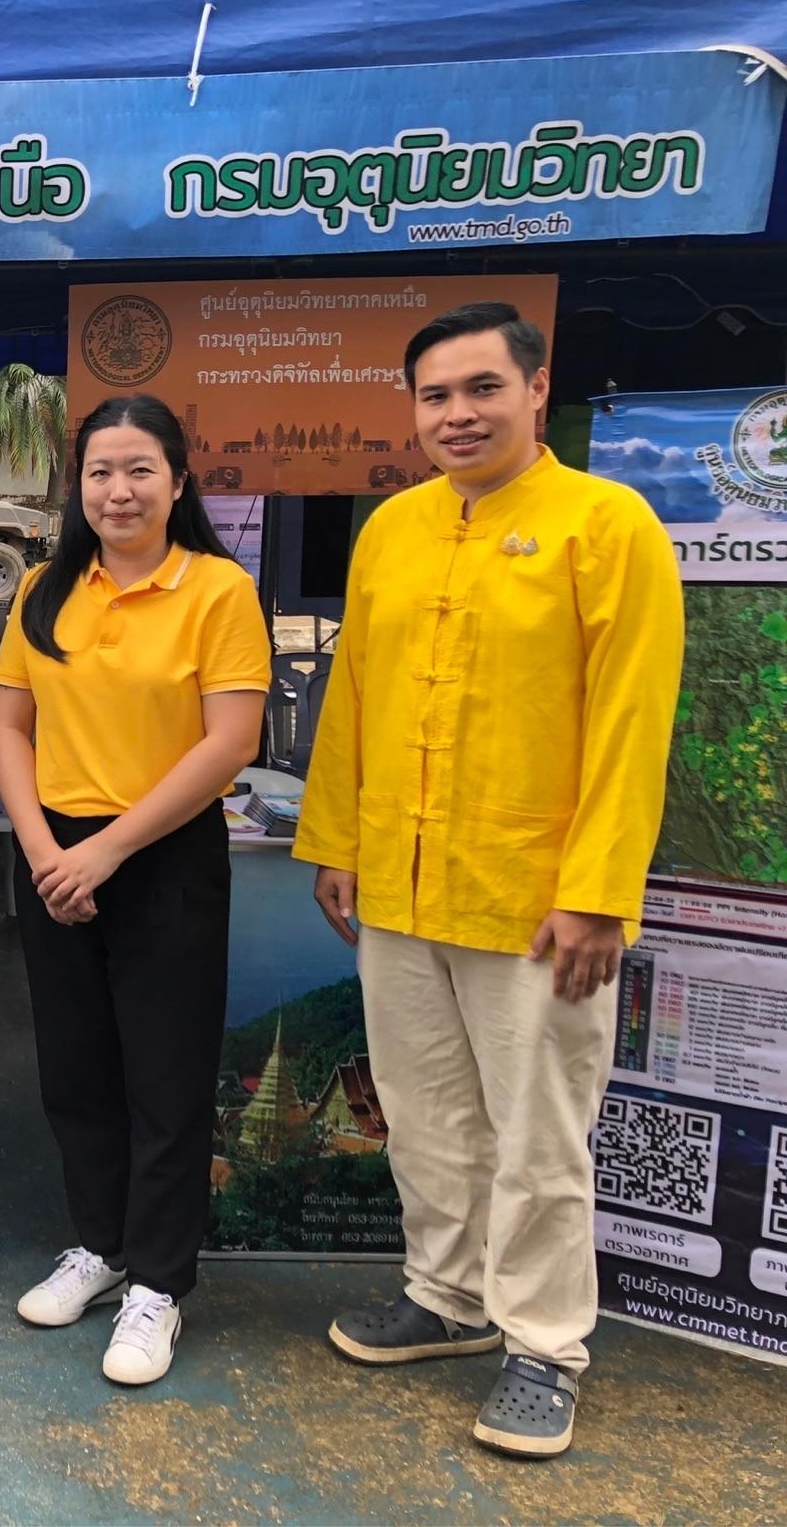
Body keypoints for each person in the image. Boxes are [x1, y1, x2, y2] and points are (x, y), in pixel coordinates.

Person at [295, 303, 683, 1457]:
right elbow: (350, 696)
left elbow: (630, 722)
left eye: (479, 389)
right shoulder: (392, 529)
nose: (455, 415)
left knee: (537, 1135)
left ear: (534, 389)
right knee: (422, 1115)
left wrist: (598, 891)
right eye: (433, 396)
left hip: (536, 903)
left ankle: (542, 1345)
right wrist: (336, 841)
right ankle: (447, 1296)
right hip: (401, 885)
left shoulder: (604, 525)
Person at [0, 395, 269, 1386]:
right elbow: (9, 726)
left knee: (165, 1076)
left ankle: (157, 1281)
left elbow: (229, 742)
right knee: (75, 1068)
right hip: (54, 855)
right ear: (78, 486)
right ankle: (99, 1247)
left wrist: (104, 851)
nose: (118, 490)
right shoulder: (42, 589)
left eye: (139, 469)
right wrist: (42, 851)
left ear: (178, 481)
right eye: (99, 471)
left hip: (161, 855)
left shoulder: (218, 590)